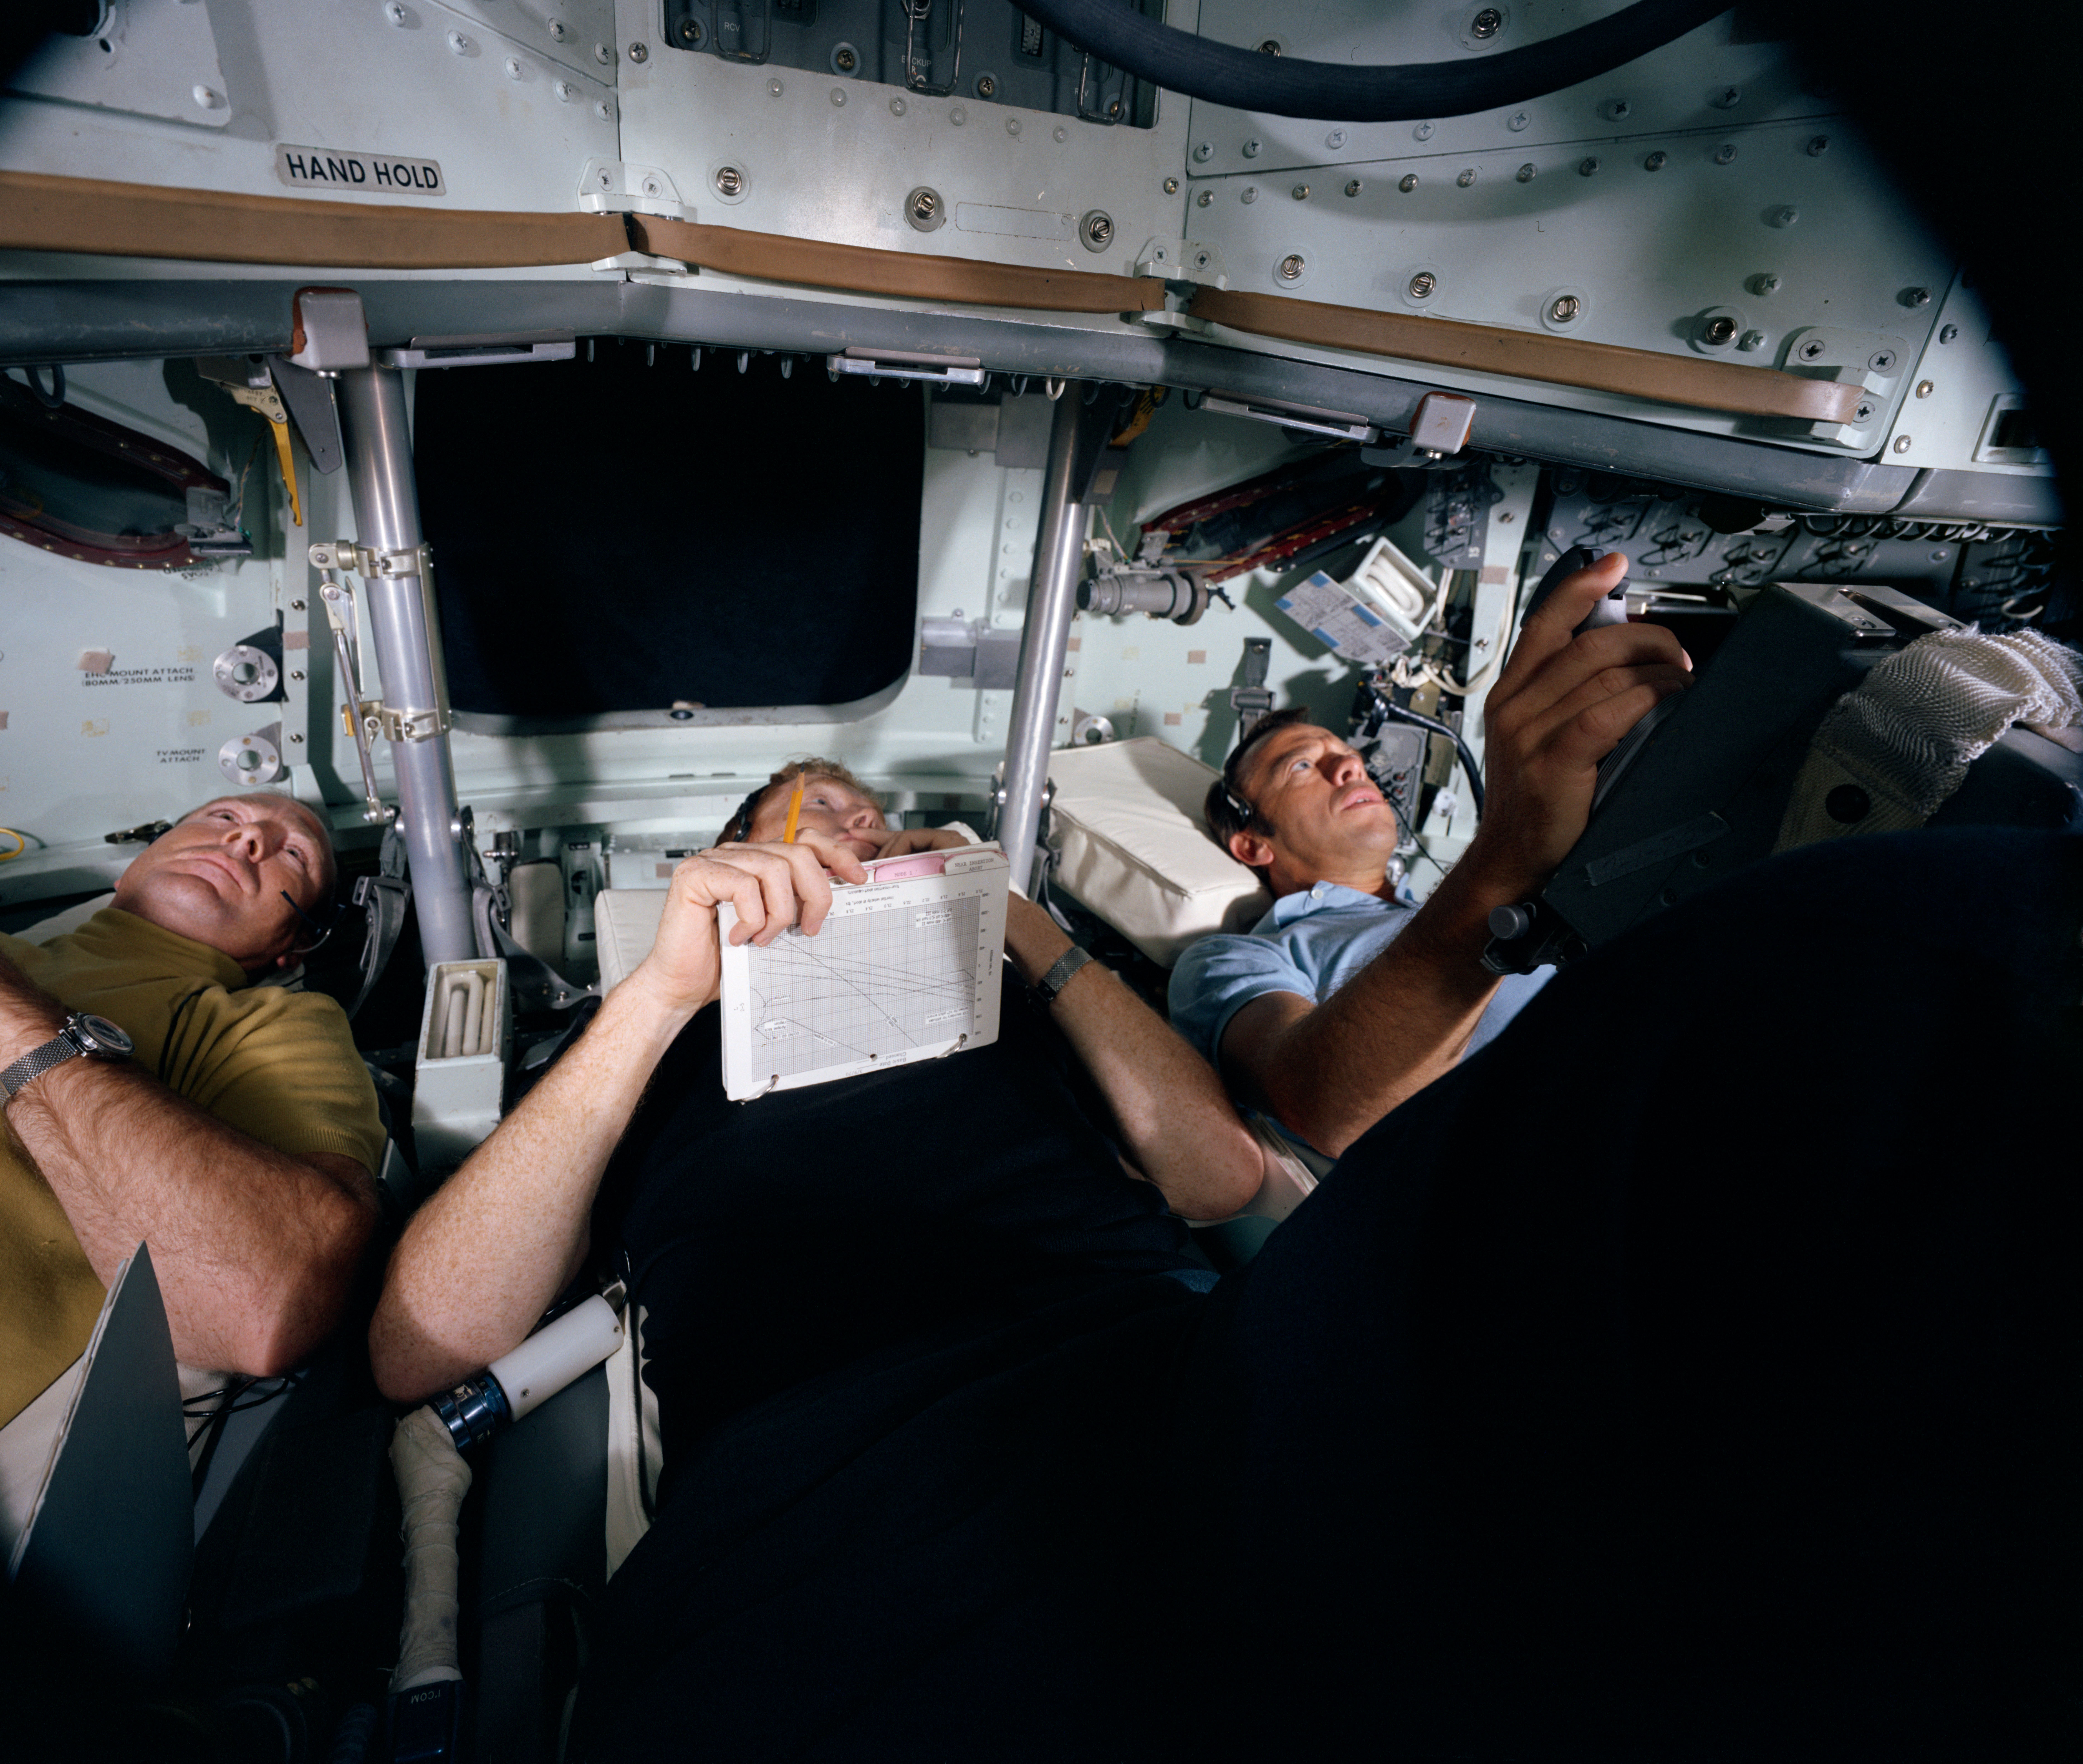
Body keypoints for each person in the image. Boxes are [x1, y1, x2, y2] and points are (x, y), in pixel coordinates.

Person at [366, 552, 2080, 1754]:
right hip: (832, 1475)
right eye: (814, 820)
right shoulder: (653, 1044)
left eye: (883, 818)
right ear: (727, 855)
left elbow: (1208, 1173)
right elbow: (420, 1342)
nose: (858, 837)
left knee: (1914, 939)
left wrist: (1032, 933)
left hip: (1158, 1372)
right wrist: (659, 994)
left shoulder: (1030, 993)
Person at [0, 793, 385, 1503]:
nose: (247, 841)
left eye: (293, 854)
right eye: (222, 818)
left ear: (293, 946)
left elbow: (269, 1303)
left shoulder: (267, 1026)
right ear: (129, 868)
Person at [1170, 549, 1690, 1157]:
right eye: (1304, 766)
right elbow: (1320, 1104)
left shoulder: (1441, 907)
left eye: (1349, 755)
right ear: (1251, 843)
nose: (1348, 765)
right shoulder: (1236, 959)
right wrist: (1504, 860)